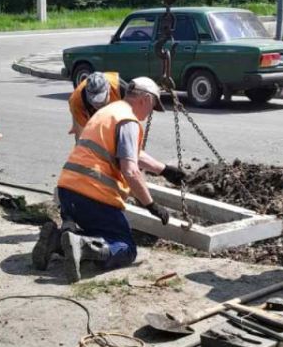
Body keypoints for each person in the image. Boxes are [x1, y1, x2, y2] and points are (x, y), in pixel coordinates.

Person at [34, 76, 184, 281]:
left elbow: (130, 152)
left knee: (98, 232)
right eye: (152, 108)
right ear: (146, 100)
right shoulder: (128, 121)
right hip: (93, 195)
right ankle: (83, 247)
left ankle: (57, 241)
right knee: (125, 247)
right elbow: (130, 170)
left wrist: (163, 169)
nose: (149, 114)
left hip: (67, 191)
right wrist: (151, 205)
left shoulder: (108, 112)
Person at [68, 70, 126, 135]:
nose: (98, 105)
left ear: (108, 90)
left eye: (101, 101)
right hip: (86, 112)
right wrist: (77, 127)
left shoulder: (120, 87)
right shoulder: (77, 100)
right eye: (94, 102)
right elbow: (82, 135)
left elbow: (134, 112)